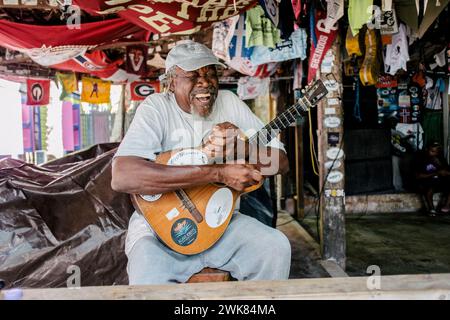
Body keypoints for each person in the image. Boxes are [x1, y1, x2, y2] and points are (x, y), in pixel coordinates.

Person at [111, 40, 291, 285]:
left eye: (210, 73)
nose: (205, 82)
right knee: (146, 273)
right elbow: (122, 176)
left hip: (223, 226)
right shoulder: (156, 108)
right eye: (193, 75)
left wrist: (244, 148)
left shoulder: (228, 102)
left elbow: (280, 163)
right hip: (159, 232)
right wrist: (217, 173)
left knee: (274, 247)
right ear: (172, 82)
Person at [415, 141, 450, 216]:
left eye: (436, 151)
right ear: (427, 149)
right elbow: (418, 176)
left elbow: (446, 171)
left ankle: (447, 205)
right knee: (430, 189)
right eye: (432, 151)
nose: (434, 153)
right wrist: (436, 173)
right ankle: (431, 209)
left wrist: (440, 166)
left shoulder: (440, 158)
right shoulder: (421, 159)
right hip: (426, 181)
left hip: (439, 181)